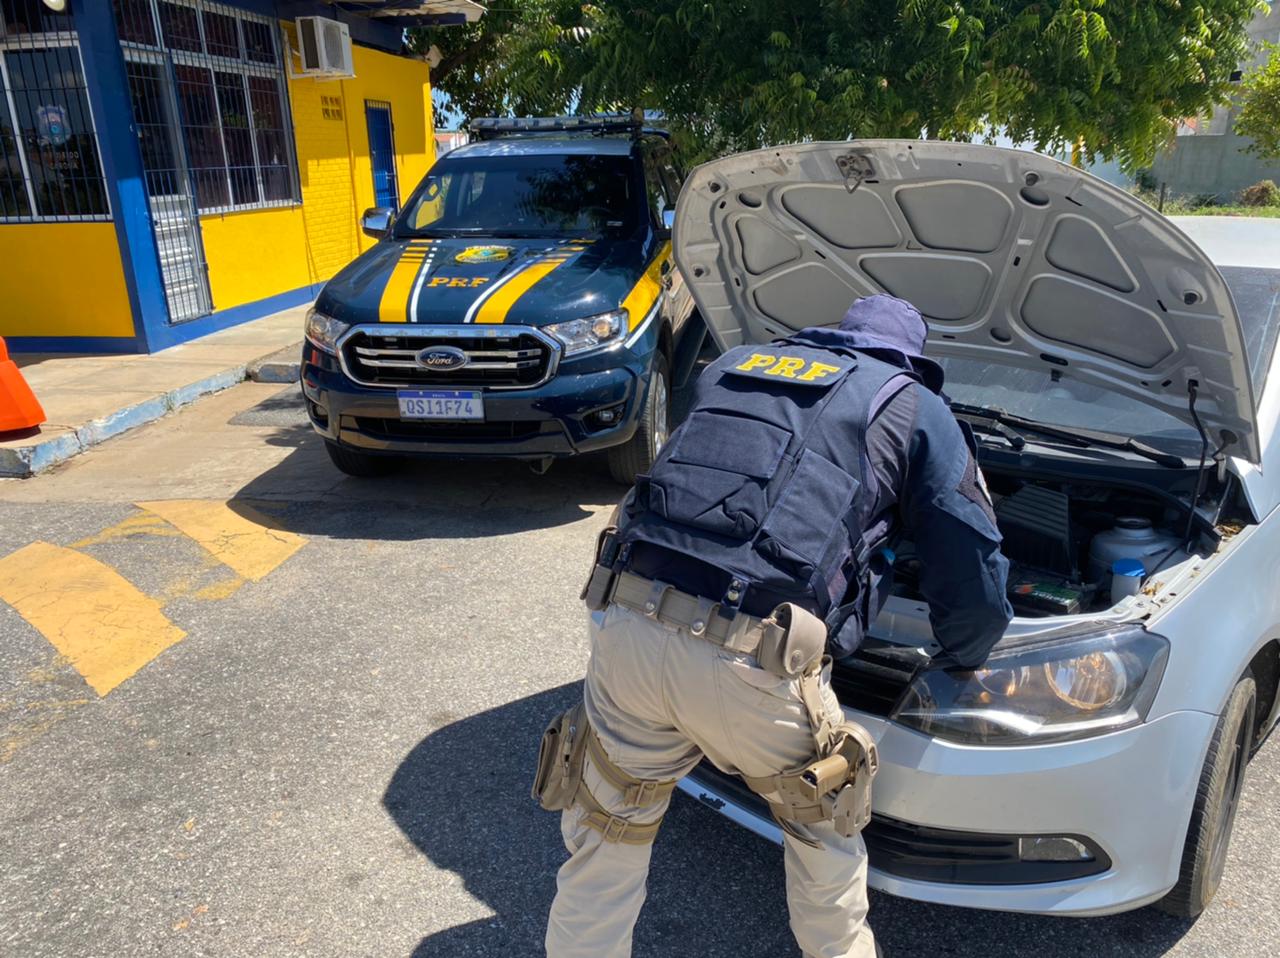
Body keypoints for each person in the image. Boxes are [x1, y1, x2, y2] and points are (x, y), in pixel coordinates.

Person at [537, 294, 1013, 958]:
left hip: (627, 625)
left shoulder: (733, 365)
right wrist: (968, 654)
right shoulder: (914, 405)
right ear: (911, 358)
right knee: (824, 846)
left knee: (606, 840)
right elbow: (969, 566)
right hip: (751, 659)